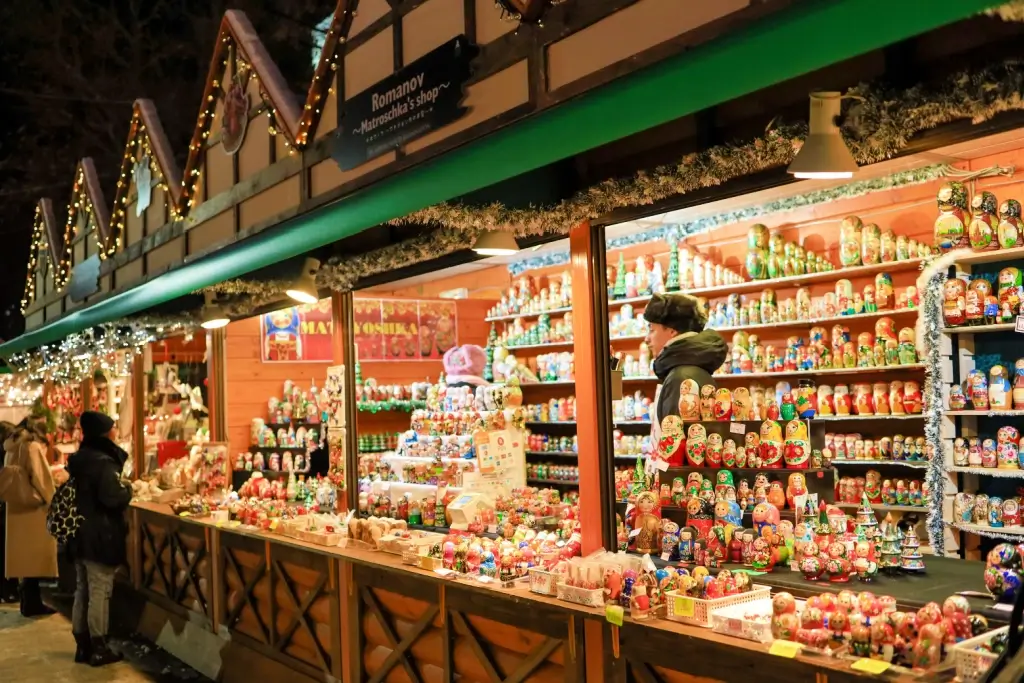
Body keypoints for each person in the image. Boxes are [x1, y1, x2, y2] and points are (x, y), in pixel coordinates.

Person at [65, 411, 132, 666]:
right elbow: (112, 496)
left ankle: (82, 646)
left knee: (83, 589)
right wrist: (128, 488)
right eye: (113, 427)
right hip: (99, 535)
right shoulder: (103, 462)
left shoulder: (80, 458)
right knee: (100, 590)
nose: (116, 431)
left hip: (80, 534)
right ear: (105, 432)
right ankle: (99, 646)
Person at [3, 414, 59, 617]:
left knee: (24, 559)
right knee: (34, 558)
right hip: (33, 509)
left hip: (17, 508)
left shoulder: (11, 447)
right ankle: (32, 603)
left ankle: (27, 600)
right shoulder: (31, 447)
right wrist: (52, 500)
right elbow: (41, 478)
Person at [644, 293, 728, 425]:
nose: (646, 338)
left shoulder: (680, 377)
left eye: (652, 330)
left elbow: (675, 440)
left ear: (672, 331)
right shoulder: (693, 368)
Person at [0, 420, 19, 603]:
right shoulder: (7, 455)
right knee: (6, 549)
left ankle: (7, 588)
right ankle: (8, 589)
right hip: (3, 507)